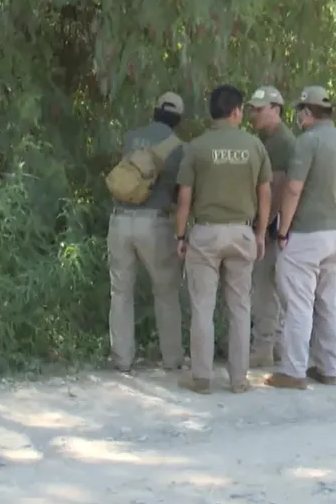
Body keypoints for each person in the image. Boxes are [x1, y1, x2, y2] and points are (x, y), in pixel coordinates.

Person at [173, 85, 273, 394]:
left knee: (202, 306)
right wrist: (260, 233)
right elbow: (265, 193)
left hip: (205, 232)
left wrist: (180, 235)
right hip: (242, 232)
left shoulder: (196, 148)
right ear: (236, 112)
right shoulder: (254, 146)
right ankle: (239, 378)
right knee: (239, 307)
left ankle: (201, 377)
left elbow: (184, 199)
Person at [264, 86, 336, 390]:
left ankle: (293, 370)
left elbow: (293, 189)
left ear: (307, 113)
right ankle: (328, 367)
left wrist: (282, 230)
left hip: (305, 234)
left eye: (299, 112)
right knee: (329, 301)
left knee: (298, 304)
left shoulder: (308, 142)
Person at [107, 91, 187, 373]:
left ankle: (122, 359)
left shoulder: (131, 137)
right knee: (165, 291)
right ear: (178, 119)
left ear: (154, 111)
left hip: (119, 220)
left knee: (120, 291)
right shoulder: (179, 148)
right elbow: (181, 193)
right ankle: (172, 358)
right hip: (154, 223)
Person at [245, 85, 298, 368]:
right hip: (274, 224)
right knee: (270, 288)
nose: (253, 113)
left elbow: (277, 189)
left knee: (263, 287)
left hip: (271, 224)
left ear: (275, 109)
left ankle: (263, 347)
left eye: (259, 109)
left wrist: (263, 227)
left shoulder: (279, 143)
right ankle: (275, 344)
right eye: (252, 108)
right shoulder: (267, 139)